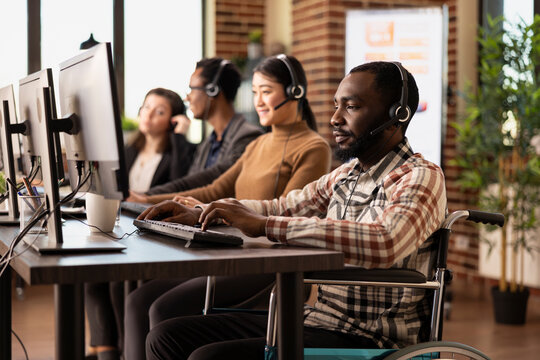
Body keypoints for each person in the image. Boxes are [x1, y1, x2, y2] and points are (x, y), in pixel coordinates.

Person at [141, 61, 448, 360]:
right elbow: (283, 206)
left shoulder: (420, 176)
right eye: (336, 105)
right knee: (167, 336)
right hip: (317, 319)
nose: (335, 118)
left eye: (351, 107)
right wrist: (209, 212)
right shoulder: (347, 174)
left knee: (210, 356)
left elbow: (385, 242)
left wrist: (265, 225)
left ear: (397, 115)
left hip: (373, 337)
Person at [124, 54, 332, 360]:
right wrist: (147, 201)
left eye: (267, 91)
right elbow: (214, 189)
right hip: (231, 250)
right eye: (255, 92)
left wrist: (215, 209)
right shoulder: (257, 144)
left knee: (162, 307)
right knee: (139, 299)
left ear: (295, 93)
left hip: (266, 261)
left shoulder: (313, 147)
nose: (259, 101)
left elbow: (288, 211)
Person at [85, 87, 194, 360]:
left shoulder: (179, 154)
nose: (149, 115)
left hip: (152, 236)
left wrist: (180, 138)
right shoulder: (128, 150)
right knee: (92, 278)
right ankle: (108, 352)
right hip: (124, 226)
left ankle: (125, 349)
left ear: (173, 120)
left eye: (160, 111)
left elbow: (182, 184)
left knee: (113, 281)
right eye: (146, 107)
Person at [128, 58, 264, 202]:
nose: (187, 98)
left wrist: (146, 197)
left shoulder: (247, 136)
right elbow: (188, 184)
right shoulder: (208, 143)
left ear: (213, 90)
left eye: (192, 89)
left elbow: (206, 182)